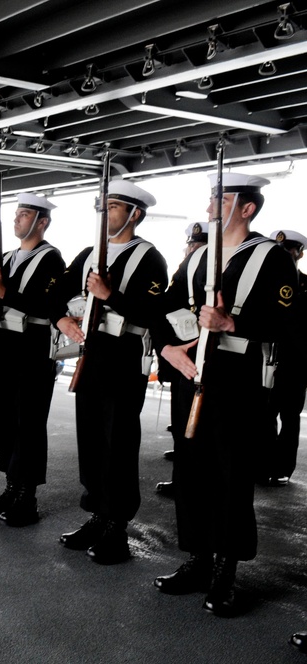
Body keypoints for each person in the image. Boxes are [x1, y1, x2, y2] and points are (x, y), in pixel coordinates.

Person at [154, 173, 297, 616]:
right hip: (191, 374)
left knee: (230, 477)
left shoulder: (270, 257)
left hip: (238, 383)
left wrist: (233, 323)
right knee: (191, 473)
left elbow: (290, 324)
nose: (212, 202)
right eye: (213, 195)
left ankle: (225, 569)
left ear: (247, 208)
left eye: (223, 196)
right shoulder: (198, 258)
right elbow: (166, 308)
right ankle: (196, 557)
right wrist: (167, 349)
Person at [50, 180, 168, 565]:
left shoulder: (150, 258)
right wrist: (61, 320)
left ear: (135, 214)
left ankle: (117, 525)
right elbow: (55, 295)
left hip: (123, 360)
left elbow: (153, 314)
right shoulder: (87, 254)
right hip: (91, 355)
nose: (106, 213)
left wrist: (109, 296)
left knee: (118, 443)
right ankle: (97, 515)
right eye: (103, 206)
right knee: (91, 442)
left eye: (114, 206)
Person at [0, 193, 65, 526]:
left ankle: (27, 496)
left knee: (28, 424)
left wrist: (6, 293)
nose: (17, 220)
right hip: (4, 345)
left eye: (24, 214)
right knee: (4, 420)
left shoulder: (52, 260)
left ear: (41, 222)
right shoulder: (7, 257)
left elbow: (50, 306)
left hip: (33, 348)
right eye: (15, 214)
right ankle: (10, 486)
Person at [155, 222, 208, 498]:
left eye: (198, 246)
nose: (192, 250)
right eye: (190, 245)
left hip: (209, 359)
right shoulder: (183, 271)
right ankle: (181, 481)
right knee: (180, 424)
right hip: (180, 360)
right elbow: (163, 309)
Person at [258, 229, 307, 486]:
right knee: (263, 414)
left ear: (299, 253)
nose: (284, 256)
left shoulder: (306, 286)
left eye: (288, 251)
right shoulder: (263, 283)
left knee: (289, 417)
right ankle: (262, 464)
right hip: (265, 358)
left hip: (295, 363)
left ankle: (282, 468)